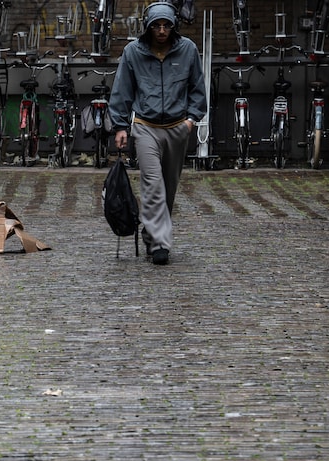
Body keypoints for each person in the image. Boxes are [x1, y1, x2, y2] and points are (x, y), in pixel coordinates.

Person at [108, 1, 207, 265]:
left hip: (177, 128)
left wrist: (191, 121)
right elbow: (122, 91)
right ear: (148, 27)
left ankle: (152, 235)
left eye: (166, 25)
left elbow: (198, 88)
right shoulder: (133, 52)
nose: (161, 31)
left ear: (173, 27)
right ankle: (160, 244)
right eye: (156, 26)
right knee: (152, 184)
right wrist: (120, 125)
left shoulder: (188, 50)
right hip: (145, 127)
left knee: (169, 188)